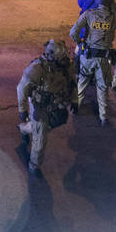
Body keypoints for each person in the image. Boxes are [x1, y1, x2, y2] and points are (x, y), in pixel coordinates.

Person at [70, 0, 116, 126]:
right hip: (104, 58)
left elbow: (73, 32)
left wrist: (80, 42)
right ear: (110, 2)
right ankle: (103, 117)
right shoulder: (115, 18)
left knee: (82, 82)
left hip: (87, 56)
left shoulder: (88, 14)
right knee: (103, 87)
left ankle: (75, 108)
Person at [16, 40, 75, 176]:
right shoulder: (37, 68)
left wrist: (75, 100)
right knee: (41, 136)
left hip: (56, 105)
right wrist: (22, 110)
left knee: (51, 124)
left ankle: (24, 129)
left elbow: (73, 83)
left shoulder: (66, 66)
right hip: (39, 105)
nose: (65, 59)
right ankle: (34, 165)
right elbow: (21, 89)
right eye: (61, 57)